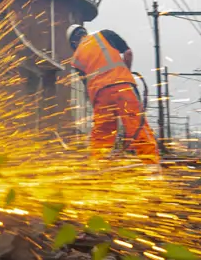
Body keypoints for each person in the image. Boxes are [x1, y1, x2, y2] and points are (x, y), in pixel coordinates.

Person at [66, 24, 159, 161]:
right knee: (136, 125)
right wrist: (126, 72)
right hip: (122, 87)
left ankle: (98, 167)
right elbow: (128, 53)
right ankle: (151, 167)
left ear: (73, 43)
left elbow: (87, 86)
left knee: (102, 133)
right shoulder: (104, 35)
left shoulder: (75, 60)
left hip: (100, 95)